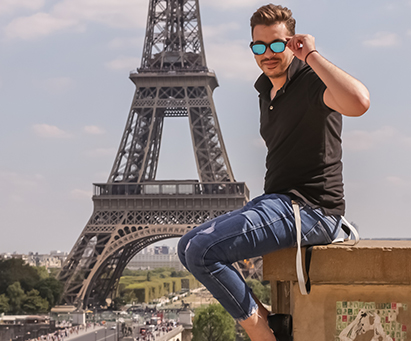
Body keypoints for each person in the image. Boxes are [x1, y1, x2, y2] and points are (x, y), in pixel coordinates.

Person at [178, 4, 369, 341]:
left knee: (201, 252)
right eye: (259, 46)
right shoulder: (266, 91)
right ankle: (266, 319)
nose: (268, 53)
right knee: (186, 246)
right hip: (277, 202)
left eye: (278, 44)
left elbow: (358, 102)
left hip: (310, 210)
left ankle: (263, 335)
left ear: (292, 43)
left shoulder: (313, 82)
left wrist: (311, 55)